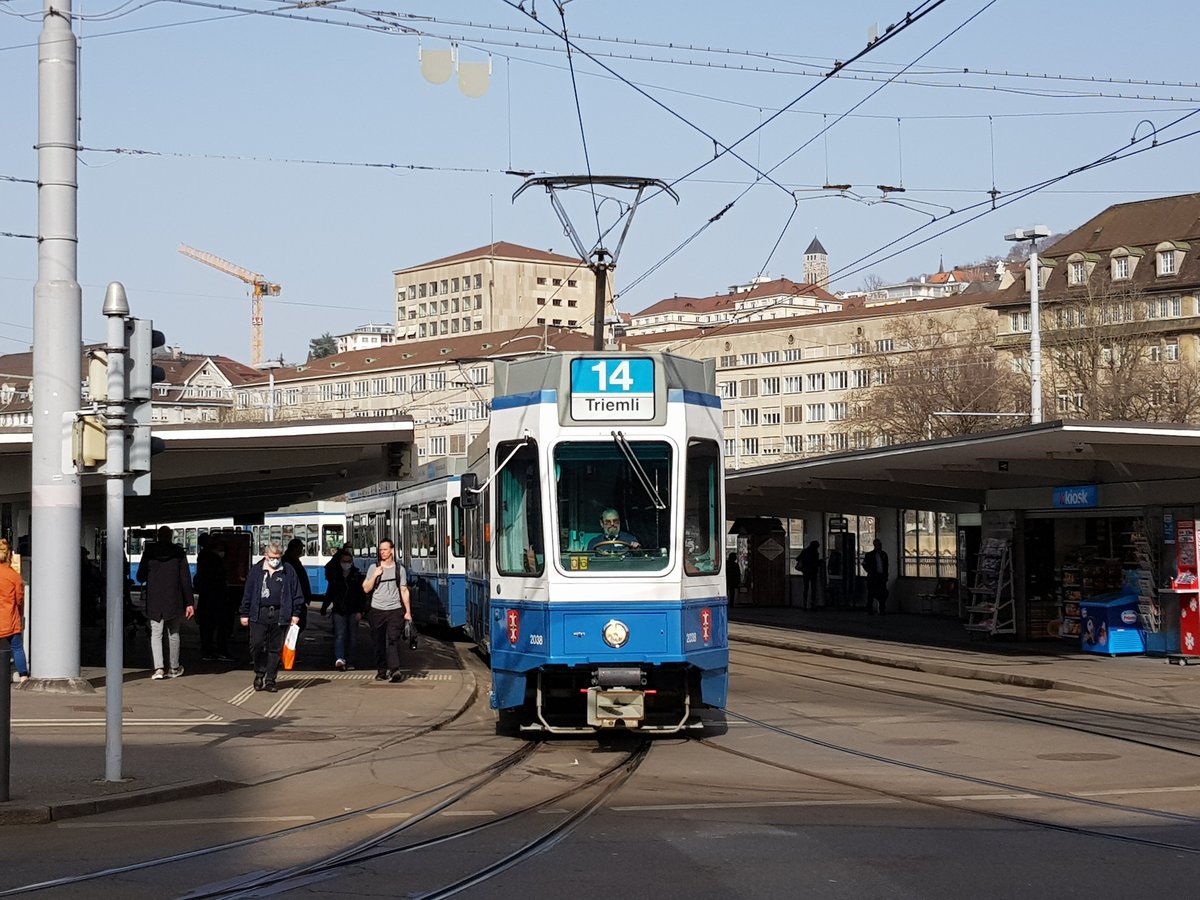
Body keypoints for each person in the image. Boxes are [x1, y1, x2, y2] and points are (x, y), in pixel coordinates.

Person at [240, 540, 304, 692]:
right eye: (272, 557)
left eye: (278, 557)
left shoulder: (288, 570)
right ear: (266, 555)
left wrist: (295, 613)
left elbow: (296, 593)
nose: (275, 560)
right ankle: (259, 672)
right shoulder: (256, 570)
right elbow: (248, 593)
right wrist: (244, 612)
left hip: (279, 614)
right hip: (259, 613)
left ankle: (270, 679)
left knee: (275, 648)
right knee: (256, 644)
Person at [136, 526, 195, 679]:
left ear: (157, 536)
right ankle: (174, 667)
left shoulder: (149, 552)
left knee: (156, 633)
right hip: (174, 599)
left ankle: (159, 669)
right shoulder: (178, 553)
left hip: (155, 599)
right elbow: (185, 579)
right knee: (173, 633)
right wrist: (189, 602)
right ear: (170, 536)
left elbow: (140, 576)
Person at [361, 538, 412, 683]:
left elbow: (404, 590)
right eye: (381, 550)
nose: (382, 552)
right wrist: (376, 575)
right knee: (378, 641)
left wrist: (408, 611)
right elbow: (366, 588)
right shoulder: (373, 568)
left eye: (385, 549)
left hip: (395, 610)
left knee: (392, 639)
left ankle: (395, 670)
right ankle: (381, 670)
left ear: (392, 551)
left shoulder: (399, 569)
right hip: (377, 610)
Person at [322, 547, 365, 671]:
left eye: (348, 561)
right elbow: (330, 592)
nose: (346, 564)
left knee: (353, 637)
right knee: (340, 635)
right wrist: (325, 606)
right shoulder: (336, 575)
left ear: (352, 562)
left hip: (353, 610)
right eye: (344, 561)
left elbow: (361, 595)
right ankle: (340, 659)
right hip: (339, 610)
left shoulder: (357, 575)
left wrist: (360, 611)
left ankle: (350, 661)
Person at [195, 533, 232, 661]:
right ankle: (218, 650)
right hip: (216, 596)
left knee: (207, 625)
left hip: (206, 596)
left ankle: (207, 649)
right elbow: (218, 576)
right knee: (219, 624)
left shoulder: (202, 557)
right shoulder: (212, 558)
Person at [0, 538, 29, 684]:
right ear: (9, 555)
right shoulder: (13, 576)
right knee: (17, 647)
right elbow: (19, 600)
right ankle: (23, 676)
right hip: (8, 618)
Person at [282, 537, 314, 635]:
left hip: (298, 599)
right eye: (300, 548)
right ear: (294, 549)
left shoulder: (293, 561)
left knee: (298, 627)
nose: (301, 551)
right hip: (294, 600)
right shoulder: (288, 562)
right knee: (295, 627)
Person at [862, 538, 890, 615]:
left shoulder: (884, 554)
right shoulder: (869, 555)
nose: (879, 546)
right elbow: (864, 564)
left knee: (883, 593)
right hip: (873, 577)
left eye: (880, 545)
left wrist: (885, 575)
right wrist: (870, 571)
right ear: (875, 545)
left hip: (881, 577)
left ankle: (882, 609)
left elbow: (886, 566)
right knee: (871, 593)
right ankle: (870, 609)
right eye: (878, 545)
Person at [797, 540, 822, 610]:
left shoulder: (804, 551)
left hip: (805, 572)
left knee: (806, 588)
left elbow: (797, 558)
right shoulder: (815, 553)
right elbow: (816, 563)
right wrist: (820, 562)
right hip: (813, 572)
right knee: (813, 588)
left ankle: (805, 605)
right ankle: (812, 604)